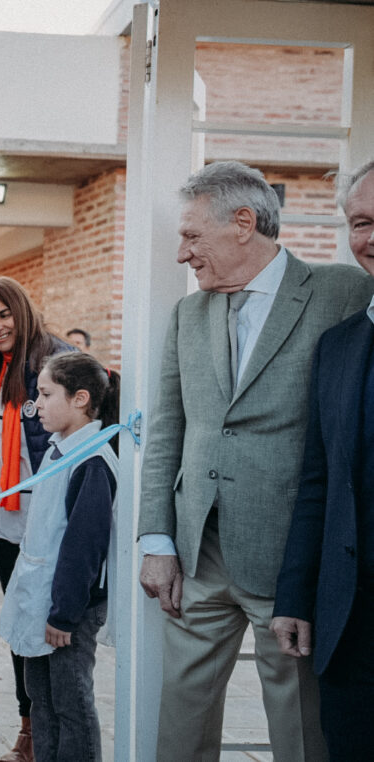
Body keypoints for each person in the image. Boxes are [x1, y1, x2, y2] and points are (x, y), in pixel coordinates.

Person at [137, 160, 374, 762]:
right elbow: (168, 429)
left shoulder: (344, 290)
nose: (183, 254)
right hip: (198, 557)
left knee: (301, 731)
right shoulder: (189, 314)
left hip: (291, 559)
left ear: (244, 222)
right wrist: (158, 540)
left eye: (193, 236)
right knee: (179, 729)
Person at [271, 159, 374, 759]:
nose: (370, 238)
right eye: (360, 223)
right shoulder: (338, 347)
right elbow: (317, 483)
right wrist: (295, 596)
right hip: (352, 628)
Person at [0, 276, 71, 762]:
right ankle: (28, 732)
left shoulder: (58, 360)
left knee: (57, 631)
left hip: (50, 521)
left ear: (22, 311)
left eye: (4, 315)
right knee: (20, 626)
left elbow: (82, 433)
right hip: (4, 521)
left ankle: (58, 735)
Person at [0, 352, 119, 762]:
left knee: (71, 701)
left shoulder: (92, 461)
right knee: (42, 699)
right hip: (43, 601)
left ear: (81, 398)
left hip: (68, 610)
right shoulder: (58, 450)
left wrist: (63, 615)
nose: (38, 405)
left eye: (47, 394)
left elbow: (83, 547)